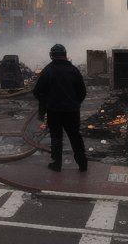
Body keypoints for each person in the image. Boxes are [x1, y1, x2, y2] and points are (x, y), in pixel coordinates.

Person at [32, 43, 88, 172]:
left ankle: (57, 164)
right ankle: (82, 164)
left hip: (54, 111)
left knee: (56, 137)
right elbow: (82, 92)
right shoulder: (74, 70)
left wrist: (46, 102)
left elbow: (37, 92)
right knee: (75, 137)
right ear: (65, 55)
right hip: (72, 111)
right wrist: (75, 103)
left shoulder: (47, 71)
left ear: (52, 55)